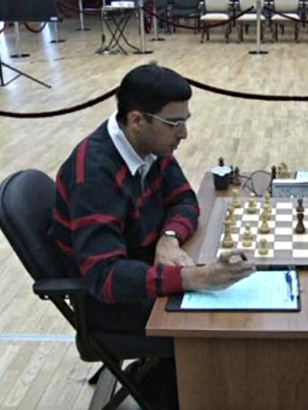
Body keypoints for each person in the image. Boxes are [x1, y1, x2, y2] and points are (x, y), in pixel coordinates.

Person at [50, 63, 255, 409]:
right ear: (136, 120)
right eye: (174, 123)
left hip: (143, 270)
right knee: (228, 323)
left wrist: (169, 238)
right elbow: (106, 277)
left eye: (186, 120)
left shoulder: (150, 148)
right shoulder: (94, 175)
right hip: (111, 302)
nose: (184, 133)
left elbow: (184, 199)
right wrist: (194, 278)